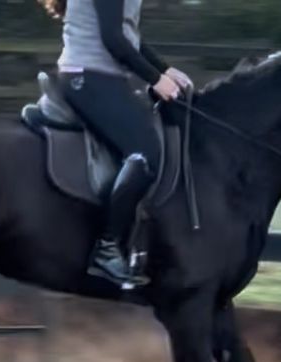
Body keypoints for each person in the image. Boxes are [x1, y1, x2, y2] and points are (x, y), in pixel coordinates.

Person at [39, 0, 193, 287]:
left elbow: (127, 36)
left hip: (100, 77)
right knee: (145, 152)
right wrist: (155, 79)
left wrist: (165, 69)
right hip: (88, 77)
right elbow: (114, 39)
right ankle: (107, 248)